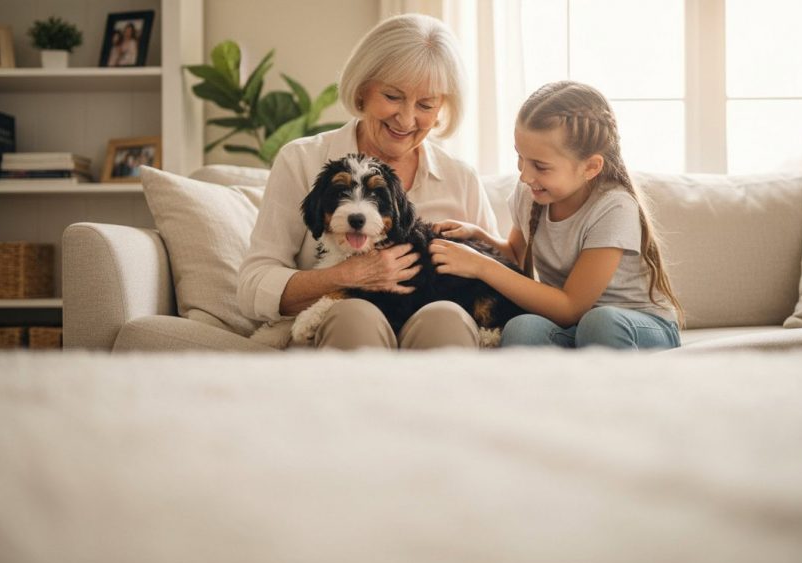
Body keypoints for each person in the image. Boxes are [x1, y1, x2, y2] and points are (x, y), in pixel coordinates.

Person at [237, 14, 499, 350]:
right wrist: (347, 277)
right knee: (354, 314)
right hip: (343, 325)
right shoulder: (301, 161)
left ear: (441, 109)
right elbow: (252, 287)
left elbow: (494, 273)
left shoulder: (460, 178)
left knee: (445, 316)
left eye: (425, 104)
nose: (405, 119)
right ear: (362, 90)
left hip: (437, 325)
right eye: (392, 96)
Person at [428, 81, 682, 350]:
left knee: (601, 322)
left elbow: (570, 306)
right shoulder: (532, 192)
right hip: (576, 326)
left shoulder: (614, 207)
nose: (525, 175)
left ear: (591, 167)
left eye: (540, 165)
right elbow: (516, 256)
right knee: (522, 328)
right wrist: (477, 236)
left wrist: (481, 265)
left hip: (639, 325)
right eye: (520, 157)